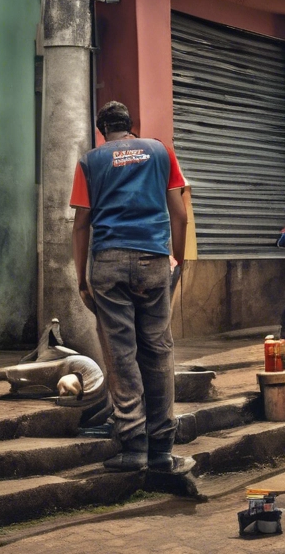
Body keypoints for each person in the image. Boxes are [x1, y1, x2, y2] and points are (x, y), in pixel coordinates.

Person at [71, 101, 193, 473]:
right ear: (130, 126)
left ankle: (133, 446)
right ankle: (161, 448)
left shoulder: (91, 162)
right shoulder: (160, 151)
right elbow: (181, 213)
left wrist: (82, 278)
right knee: (158, 351)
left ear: (101, 130)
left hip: (109, 262)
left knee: (121, 354)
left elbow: (81, 226)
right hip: (154, 260)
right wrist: (177, 258)